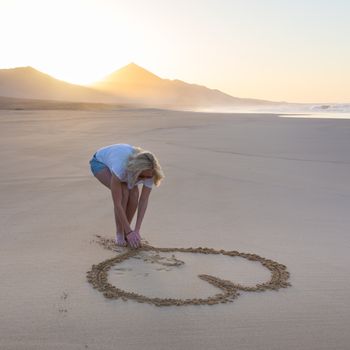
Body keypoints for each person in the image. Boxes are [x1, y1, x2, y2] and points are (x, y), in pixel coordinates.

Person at [89, 143, 164, 248]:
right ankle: (120, 232)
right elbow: (117, 203)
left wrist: (136, 230)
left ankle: (126, 230)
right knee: (124, 192)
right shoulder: (121, 168)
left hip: (125, 165)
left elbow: (143, 201)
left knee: (134, 194)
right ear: (137, 171)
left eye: (148, 177)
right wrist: (129, 232)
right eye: (142, 176)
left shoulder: (150, 172)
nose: (145, 180)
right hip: (100, 163)